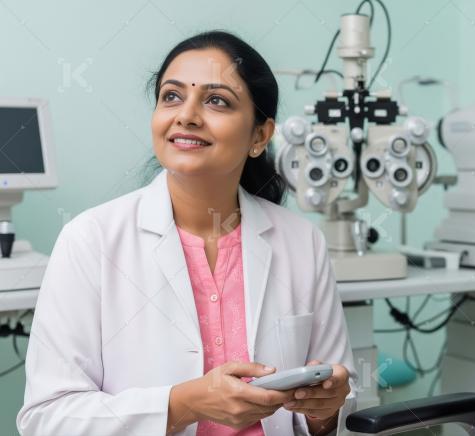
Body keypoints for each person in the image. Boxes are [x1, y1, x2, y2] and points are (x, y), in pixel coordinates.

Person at [17, 30, 356, 436]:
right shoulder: (90, 241)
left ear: (259, 137)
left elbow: (338, 406)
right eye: (172, 96)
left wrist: (325, 409)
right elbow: (46, 419)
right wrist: (183, 404)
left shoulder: (302, 242)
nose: (187, 115)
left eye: (216, 100)